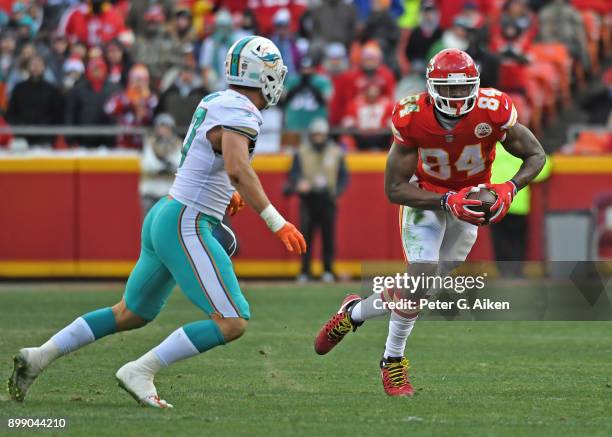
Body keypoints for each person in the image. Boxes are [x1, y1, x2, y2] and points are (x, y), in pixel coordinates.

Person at [8, 35, 306, 409]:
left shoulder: (216, 100)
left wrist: (222, 191)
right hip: (185, 222)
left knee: (129, 313)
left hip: (166, 215)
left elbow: (205, 158)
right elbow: (235, 166)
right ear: (261, 73)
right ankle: (141, 369)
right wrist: (275, 220)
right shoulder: (241, 111)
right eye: (274, 70)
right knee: (232, 320)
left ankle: (40, 356)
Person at [314, 49, 546, 396]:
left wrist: (509, 188)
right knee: (420, 279)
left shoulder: (493, 110)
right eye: (448, 89)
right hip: (427, 198)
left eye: (462, 88)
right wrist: (445, 200)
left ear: (476, 85)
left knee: (420, 289)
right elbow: (394, 189)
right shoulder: (412, 117)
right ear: (431, 87)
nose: (455, 97)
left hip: (469, 201)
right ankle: (392, 362)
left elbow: (536, 154)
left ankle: (355, 312)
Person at [285, 118, 348, 283]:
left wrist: (338, 191)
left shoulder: (335, 151)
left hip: (327, 198)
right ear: (312, 135)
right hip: (308, 199)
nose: (319, 137)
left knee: (328, 237)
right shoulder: (302, 151)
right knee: (306, 236)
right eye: (316, 135)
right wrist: (299, 182)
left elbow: (343, 176)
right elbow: (293, 173)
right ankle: (305, 271)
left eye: (322, 134)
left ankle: (328, 269)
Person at [6, 55, 63, 146]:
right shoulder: (19, 88)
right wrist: (20, 127)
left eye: (39, 65)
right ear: (28, 67)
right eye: (33, 65)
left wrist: (46, 128)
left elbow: (57, 115)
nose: (35, 68)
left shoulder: (52, 90)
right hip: (22, 137)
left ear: (44, 67)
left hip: (46, 137)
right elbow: (11, 113)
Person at [140, 113, 183, 213]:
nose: (163, 131)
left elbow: (179, 164)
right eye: (161, 127)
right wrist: (163, 166)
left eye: (166, 128)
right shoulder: (149, 142)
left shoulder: (178, 144)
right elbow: (147, 164)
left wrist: (169, 166)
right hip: (150, 193)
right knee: (148, 225)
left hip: (168, 195)